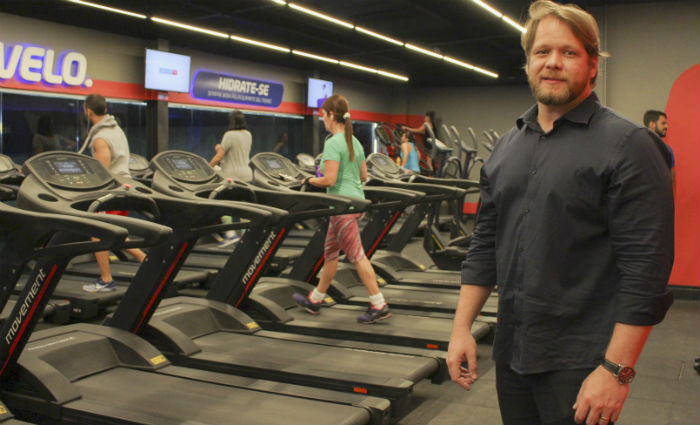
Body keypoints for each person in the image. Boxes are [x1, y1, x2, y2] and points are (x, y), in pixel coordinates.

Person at [446, 2, 674, 425]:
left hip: (584, 363)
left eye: (569, 52)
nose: (553, 62)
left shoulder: (630, 146)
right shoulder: (506, 147)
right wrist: (462, 330)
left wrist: (616, 372)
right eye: (542, 51)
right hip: (512, 351)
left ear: (592, 66)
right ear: (528, 62)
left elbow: (646, 272)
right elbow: (483, 247)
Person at [293, 94, 391, 324]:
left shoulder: (332, 143)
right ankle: (316, 298)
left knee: (357, 256)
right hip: (351, 202)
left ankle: (379, 303)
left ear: (330, 115)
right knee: (331, 254)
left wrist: (309, 180)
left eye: (323, 116)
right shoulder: (354, 142)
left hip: (342, 206)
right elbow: (364, 176)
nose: (322, 121)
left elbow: (329, 179)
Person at [80, 94, 146, 292]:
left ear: (88, 111)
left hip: (112, 191)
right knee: (114, 234)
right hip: (123, 188)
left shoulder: (101, 138)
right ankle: (147, 261)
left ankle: (106, 280)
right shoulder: (116, 130)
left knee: (98, 233)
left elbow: (103, 171)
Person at [209, 109, 253, 246]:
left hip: (231, 175)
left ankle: (230, 234)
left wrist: (207, 167)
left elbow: (219, 157)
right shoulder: (248, 134)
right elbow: (237, 152)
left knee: (223, 204)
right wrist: (221, 148)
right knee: (242, 206)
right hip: (246, 174)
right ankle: (246, 235)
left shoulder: (229, 135)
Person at [643, 110, 676, 185]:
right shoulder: (637, 145)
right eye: (663, 123)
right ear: (652, 124)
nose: (667, 126)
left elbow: (671, 178)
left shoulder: (667, 150)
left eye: (666, 123)